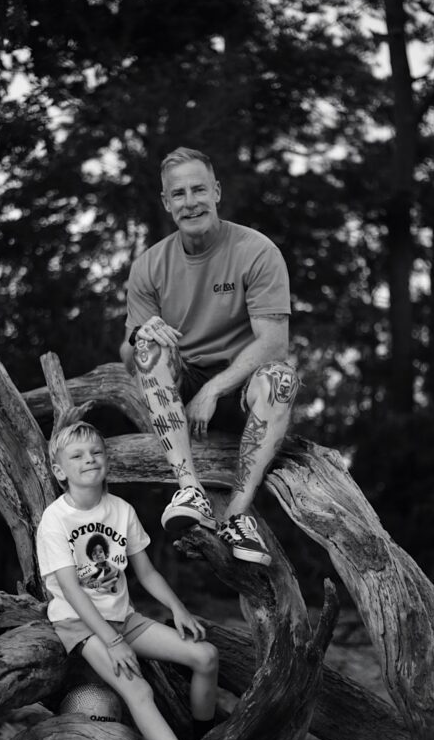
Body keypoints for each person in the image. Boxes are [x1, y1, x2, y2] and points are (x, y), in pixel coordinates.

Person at [119, 147, 299, 568]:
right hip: (184, 383)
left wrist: (216, 389)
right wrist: (137, 333)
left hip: (243, 389)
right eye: (178, 194)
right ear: (166, 203)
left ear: (216, 191)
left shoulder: (256, 250)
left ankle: (238, 515)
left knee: (282, 379)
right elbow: (129, 356)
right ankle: (189, 490)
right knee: (149, 347)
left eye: (199, 189)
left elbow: (274, 344)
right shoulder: (149, 265)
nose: (190, 201)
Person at [36, 421, 228, 740]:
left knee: (206, 656)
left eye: (96, 453)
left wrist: (177, 608)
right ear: (60, 471)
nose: (89, 460)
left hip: (125, 619)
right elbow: (73, 592)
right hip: (82, 625)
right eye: (77, 456)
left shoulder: (121, 511)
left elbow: (146, 571)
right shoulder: (54, 521)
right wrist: (111, 641)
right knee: (138, 690)